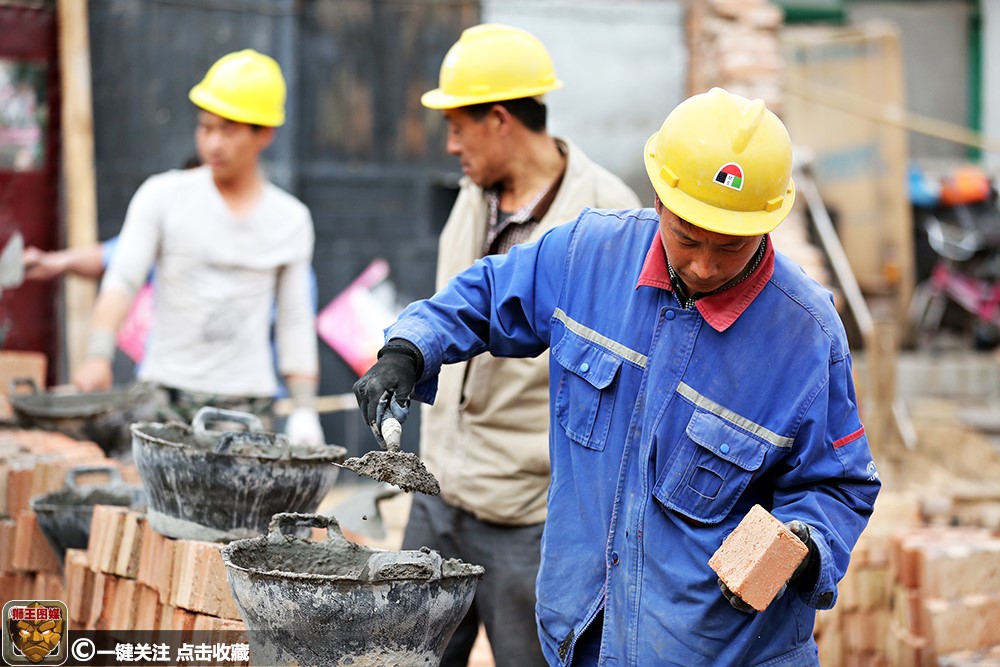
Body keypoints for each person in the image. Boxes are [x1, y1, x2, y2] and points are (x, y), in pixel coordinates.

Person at [354, 87, 881, 665]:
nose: (704, 265)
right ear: (659, 199)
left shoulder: (806, 335)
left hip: (719, 652)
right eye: (687, 237)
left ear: (767, 223)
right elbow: (486, 293)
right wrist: (408, 349)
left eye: (730, 247)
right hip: (582, 636)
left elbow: (839, 485)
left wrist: (802, 543)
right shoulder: (590, 254)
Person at [399, 23, 640, 667]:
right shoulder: (474, 194)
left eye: (458, 126)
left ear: (500, 119)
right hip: (436, 493)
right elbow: (458, 305)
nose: (449, 145)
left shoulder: (606, 220)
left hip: (526, 519)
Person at [74, 49, 324, 445]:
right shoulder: (163, 196)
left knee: (243, 505)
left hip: (247, 403)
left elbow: (295, 318)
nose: (213, 142)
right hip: (166, 392)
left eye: (228, 129)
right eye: (205, 128)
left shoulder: (289, 219)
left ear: (265, 134)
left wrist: (305, 408)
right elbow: (123, 278)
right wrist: (98, 354)